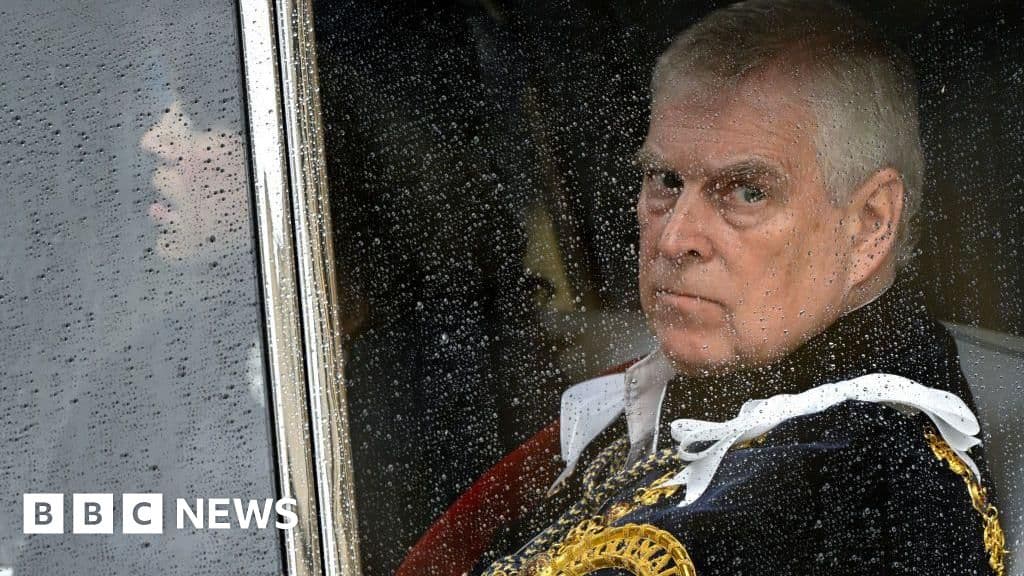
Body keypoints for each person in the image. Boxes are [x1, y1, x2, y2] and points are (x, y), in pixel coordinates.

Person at [399, 1, 1009, 575]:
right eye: (665, 180)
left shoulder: (869, 502)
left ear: (869, 224)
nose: (673, 240)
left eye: (746, 191)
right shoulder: (703, 395)